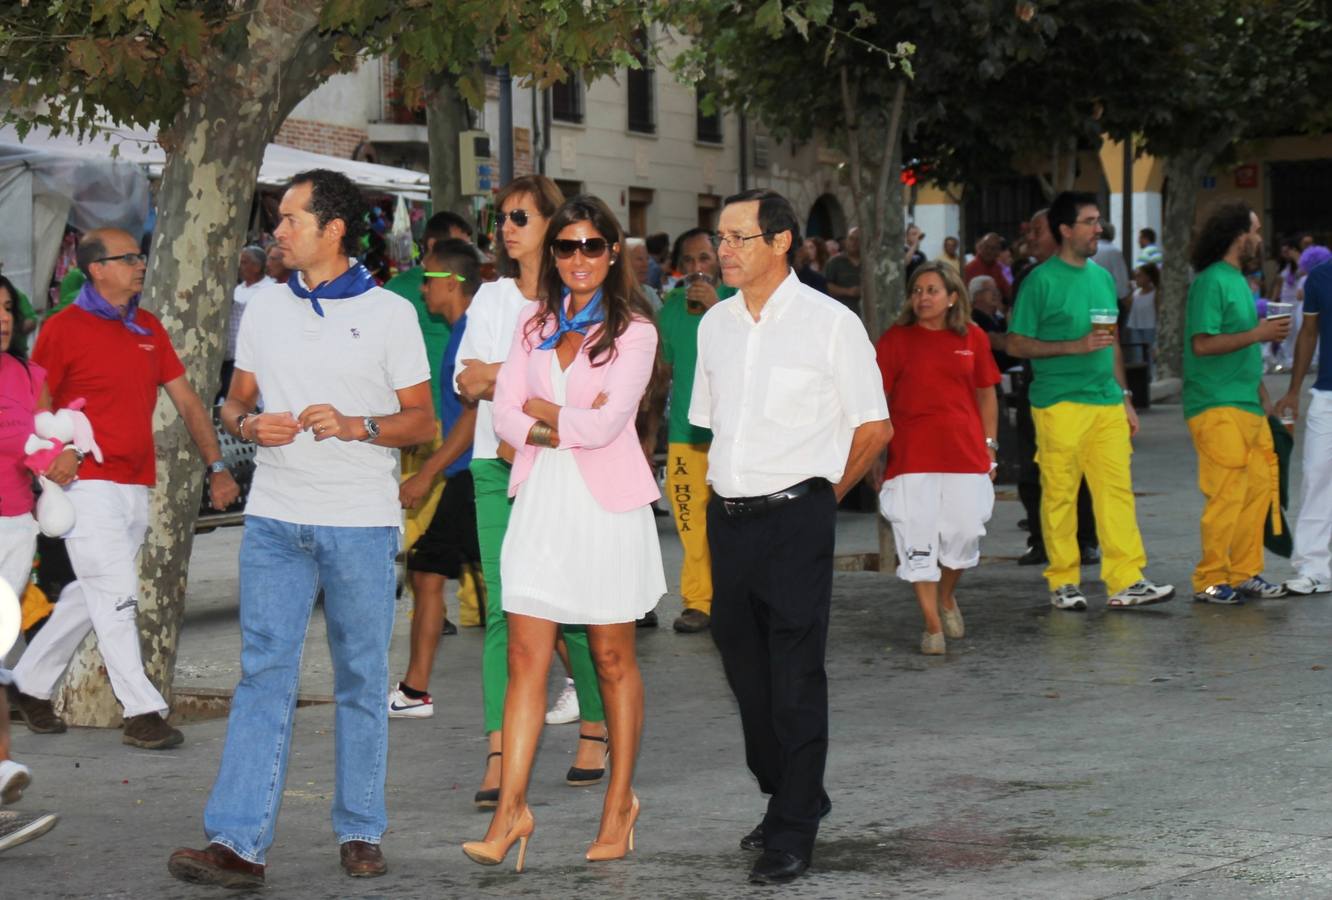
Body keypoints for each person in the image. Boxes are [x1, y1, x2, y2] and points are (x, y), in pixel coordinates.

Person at [168, 170, 435, 887]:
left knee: (359, 679)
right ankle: (237, 842)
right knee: (262, 677)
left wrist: (360, 425)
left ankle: (360, 829)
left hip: (360, 523)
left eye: (289, 219)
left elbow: (424, 420)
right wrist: (250, 425)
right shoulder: (261, 307)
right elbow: (234, 405)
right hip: (276, 522)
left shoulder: (390, 314)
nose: (276, 232)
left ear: (333, 229)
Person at [690, 189, 891, 885]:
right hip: (729, 516)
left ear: (781, 243)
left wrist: (819, 500)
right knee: (744, 666)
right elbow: (712, 425)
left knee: (796, 671)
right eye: (721, 237)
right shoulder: (713, 325)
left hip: (797, 513)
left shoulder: (831, 323)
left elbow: (874, 427)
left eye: (740, 237)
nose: (725, 249)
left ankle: (794, 826)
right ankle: (792, 787)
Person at [464, 195, 665, 870]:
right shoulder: (530, 323)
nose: (579, 258)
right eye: (568, 246)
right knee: (526, 656)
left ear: (613, 255)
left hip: (605, 508)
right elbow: (505, 417)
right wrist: (560, 416)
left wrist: (545, 412)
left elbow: (610, 428)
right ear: (554, 256)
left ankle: (620, 802)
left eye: (593, 246)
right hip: (542, 499)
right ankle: (510, 812)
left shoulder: (636, 329)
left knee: (610, 660)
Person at [7, 229, 238, 749]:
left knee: (92, 595)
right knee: (116, 594)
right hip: (84, 483)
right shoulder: (62, 329)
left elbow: (188, 401)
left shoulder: (147, 326)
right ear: (96, 269)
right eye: (128, 258)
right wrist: (51, 456)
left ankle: (30, 683)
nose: (139, 266)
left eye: (141, 256)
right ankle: (142, 710)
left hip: (137, 484)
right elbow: (32, 405)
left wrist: (217, 464)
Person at [453, 175, 610, 809]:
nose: (506, 227)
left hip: (560, 470)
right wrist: (505, 381)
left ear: (553, 222)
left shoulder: (578, 295)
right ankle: (498, 751)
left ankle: (595, 728)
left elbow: (589, 398)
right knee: (503, 609)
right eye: (500, 217)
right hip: (494, 466)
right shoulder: (491, 298)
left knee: (571, 609)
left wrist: (507, 381)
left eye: (519, 215)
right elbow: (469, 382)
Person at [1006, 191, 1174, 611]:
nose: (1099, 228)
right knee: (1061, 493)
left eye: (1098, 220)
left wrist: (1126, 397)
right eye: (1090, 221)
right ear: (1066, 230)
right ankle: (1063, 580)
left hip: (1106, 403)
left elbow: (1111, 343)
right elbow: (1016, 343)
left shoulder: (1101, 278)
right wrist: (1073, 345)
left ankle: (1126, 580)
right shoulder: (1039, 281)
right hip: (1058, 404)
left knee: (1116, 492)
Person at [877, 263, 999, 655]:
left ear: (951, 298)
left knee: (964, 535)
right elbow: (876, 398)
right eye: (917, 290)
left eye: (932, 290)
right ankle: (932, 626)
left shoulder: (973, 337)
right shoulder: (896, 340)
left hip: (966, 453)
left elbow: (986, 393)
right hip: (912, 456)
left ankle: (946, 597)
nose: (923, 297)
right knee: (917, 540)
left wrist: (991, 446)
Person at [390, 240, 484, 717]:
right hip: (469, 476)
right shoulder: (460, 331)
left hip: (477, 477)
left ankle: (584, 689)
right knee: (427, 572)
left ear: (453, 283)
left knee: (520, 597)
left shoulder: (471, 334)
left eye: (428, 278)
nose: (422, 287)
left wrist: (426, 473)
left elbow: (474, 416)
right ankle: (413, 691)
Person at [1183, 202, 1291, 605]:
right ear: (1237, 235)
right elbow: (1203, 343)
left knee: (1258, 491)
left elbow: (1243, 351)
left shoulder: (1238, 282)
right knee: (1227, 493)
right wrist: (1260, 333)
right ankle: (1210, 578)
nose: (1260, 239)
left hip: (1245, 404)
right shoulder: (1211, 281)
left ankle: (1245, 572)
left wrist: (1266, 400)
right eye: (1256, 230)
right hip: (1214, 404)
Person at [0, 275, 59, 852]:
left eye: (5, 308)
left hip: (16, 527)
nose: (0, 317)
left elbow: (38, 436)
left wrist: (57, 461)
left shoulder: (25, 374)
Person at [1010, 209, 1099, 568]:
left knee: (1085, 469)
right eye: (1030, 231)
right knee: (1035, 469)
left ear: (1060, 234)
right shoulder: (1029, 278)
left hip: (1089, 390)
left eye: (1038, 231)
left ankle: (1086, 539)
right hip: (1041, 388)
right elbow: (1019, 338)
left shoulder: (1092, 276)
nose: (1031, 238)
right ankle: (1041, 539)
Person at [658, 228, 734, 633]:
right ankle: (698, 602)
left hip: (732, 437)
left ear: (719, 260)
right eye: (687, 261)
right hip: (685, 435)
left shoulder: (740, 304)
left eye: (704, 258)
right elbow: (661, 371)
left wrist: (717, 308)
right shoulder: (670, 308)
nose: (695, 269)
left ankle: (736, 597)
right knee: (689, 521)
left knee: (732, 523)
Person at [1277, 253, 1332, 595]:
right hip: (1327, 394)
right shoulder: (1320, 278)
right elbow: (1308, 333)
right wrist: (1294, 390)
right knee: (1316, 476)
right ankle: (1314, 568)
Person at [219, 245, 273, 404]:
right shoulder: (237, 289)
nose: (240, 267)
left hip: (256, 357)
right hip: (232, 356)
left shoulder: (270, 289)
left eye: (244, 262)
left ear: (256, 267)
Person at [969, 274, 1016, 372]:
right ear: (976, 295)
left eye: (996, 290)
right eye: (990, 290)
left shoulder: (999, 318)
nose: (996, 294)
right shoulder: (974, 319)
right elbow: (1002, 343)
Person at [1125, 263, 1160, 380]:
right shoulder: (1135, 293)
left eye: (1139, 276)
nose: (1136, 279)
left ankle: (1150, 380)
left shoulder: (1155, 293)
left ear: (1148, 277)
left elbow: (1158, 314)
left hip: (1150, 328)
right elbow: (1129, 308)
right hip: (1136, 328)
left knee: (1150, 358)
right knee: (1137, 358)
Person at [1091, 221, 1132, 309]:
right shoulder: (1114, 251)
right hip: (1109, 298)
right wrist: (1124, 297)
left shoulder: (1090, 249)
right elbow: (1121, 278)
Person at [965, 232, 1013, 305]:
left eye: (993, 248)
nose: (989, 251)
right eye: (986, 247)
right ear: (980, 248)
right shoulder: (970, 268)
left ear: (998, 252)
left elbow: (1007, 291)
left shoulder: (997, 268)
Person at [823, 226, 862, 313]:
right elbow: (827, 286)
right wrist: (849, 292)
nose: (854, 243)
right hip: (843, 311)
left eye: (857, 239)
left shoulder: (869, 263)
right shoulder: (835, 262)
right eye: (851, 239)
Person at [625, 237, 661, 309]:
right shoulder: (613, 294)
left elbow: (661, 318)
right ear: (624, 262)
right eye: (639, 259)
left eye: (647, 259)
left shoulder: (649, 292)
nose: (645, 264)